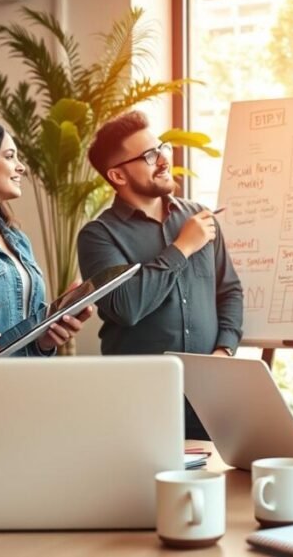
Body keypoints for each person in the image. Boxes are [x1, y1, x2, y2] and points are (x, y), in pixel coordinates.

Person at [77, 110, 244, 440]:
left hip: (208, 397)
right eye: (150, 155)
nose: (164, 160)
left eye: (162, 148)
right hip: (138, 400)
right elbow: (126, 307)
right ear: (118, 176)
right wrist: (182, 248)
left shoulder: (198, 216)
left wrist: (223, 354)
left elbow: (230, 292)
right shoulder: (98, 236)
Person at [0, 121, 90, 355]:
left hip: (27, 378)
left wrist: (46, 340)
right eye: (10, 156)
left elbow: (25, 332)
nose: (21, 167)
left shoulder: (18, 240)